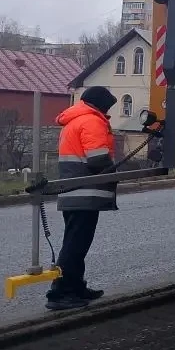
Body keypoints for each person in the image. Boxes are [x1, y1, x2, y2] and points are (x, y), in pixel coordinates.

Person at [45, 86, 119, 311]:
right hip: (85, 193)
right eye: (108, 106)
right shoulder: (92, 121)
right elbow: (97, 159)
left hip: (74, 192)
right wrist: (114, 171)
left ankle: (76, 287)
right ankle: (60, 293)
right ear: (100, 104)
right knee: (75, 246)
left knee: (76, 243)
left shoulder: (75, 120)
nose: (108, 111)